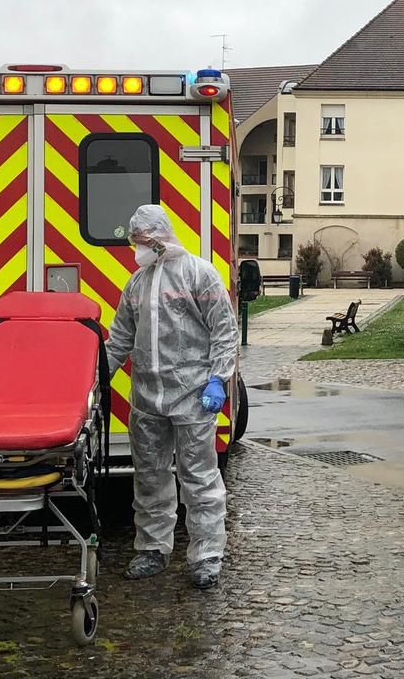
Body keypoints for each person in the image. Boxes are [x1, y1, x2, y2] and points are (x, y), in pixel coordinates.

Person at [104, 204, 239, 589]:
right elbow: (119, 340)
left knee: (198, 476)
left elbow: (224, 332)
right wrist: (97, 377)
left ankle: (207, 555)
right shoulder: (137, 283)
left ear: (161, 238)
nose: (138, 248)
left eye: (143, 241)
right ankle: (152, 549)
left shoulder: (199, 273)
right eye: (135, 242)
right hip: (148, 398)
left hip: (194, 395)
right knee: (149, 477)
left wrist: (218, 379)